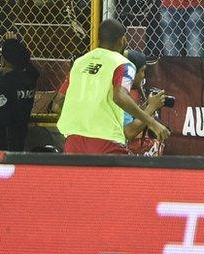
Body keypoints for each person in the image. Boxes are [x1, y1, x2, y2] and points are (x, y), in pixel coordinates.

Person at [56, 19, 170, 154]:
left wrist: (82, 118)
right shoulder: (123, 64)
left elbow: (57, 104)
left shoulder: (80, 62)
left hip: (73, 140)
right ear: (122, 40)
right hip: (105, 141)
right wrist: (152, 122)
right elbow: (120, 97)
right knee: (119, 175)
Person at [0, 33, 38, 151]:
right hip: (19, 139)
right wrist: (14, 44)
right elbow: (31, 68)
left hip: (0, 144)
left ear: (3, 60)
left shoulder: (2, 84)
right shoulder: (30, 78)